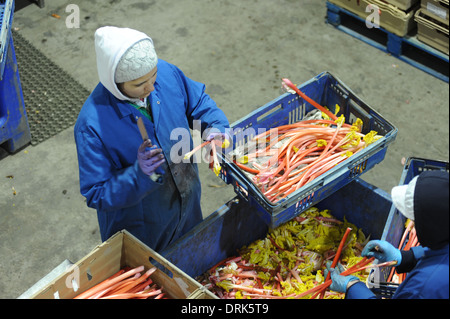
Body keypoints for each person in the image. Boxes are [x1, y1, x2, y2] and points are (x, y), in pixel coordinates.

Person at [74, 26, 230, 251]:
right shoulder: (92, 125)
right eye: (139, 84)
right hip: (142, 228)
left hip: (187, 203)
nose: (151, 86)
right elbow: (96, 192)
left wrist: (215, 128)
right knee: (154, 278)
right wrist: (137, 176)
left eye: (153, 75)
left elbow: (197, 102)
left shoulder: (165, 74)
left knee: (193, 258)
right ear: (114, 83)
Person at [326, 170, 449, 299]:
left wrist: (352, 286)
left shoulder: (423, 288)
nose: (412, 223)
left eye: (415, 219)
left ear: (430, 228)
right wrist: (405, 257)